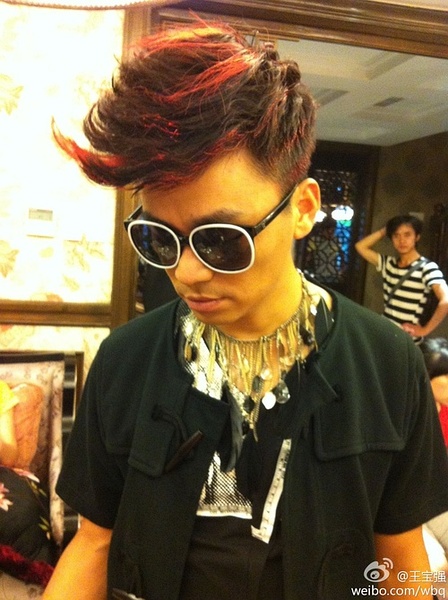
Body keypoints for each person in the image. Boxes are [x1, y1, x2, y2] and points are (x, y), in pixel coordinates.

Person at [42, 23, 448, 600]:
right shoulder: (125, 361)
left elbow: (400, 556)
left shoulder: (387, 364)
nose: (186, 273)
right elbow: (94, 543)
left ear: (303, 208)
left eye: (221, 239)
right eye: (160, 238)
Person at [355, 214, 448, 344]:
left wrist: (424, 330)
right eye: (396, 235)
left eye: (407, 235)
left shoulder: (427, 267)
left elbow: (446, 299)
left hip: (406, 339)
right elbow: (360, 246)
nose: (402, 240)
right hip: (384, 333)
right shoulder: (388, 264)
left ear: (417, 237)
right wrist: (385, 230)